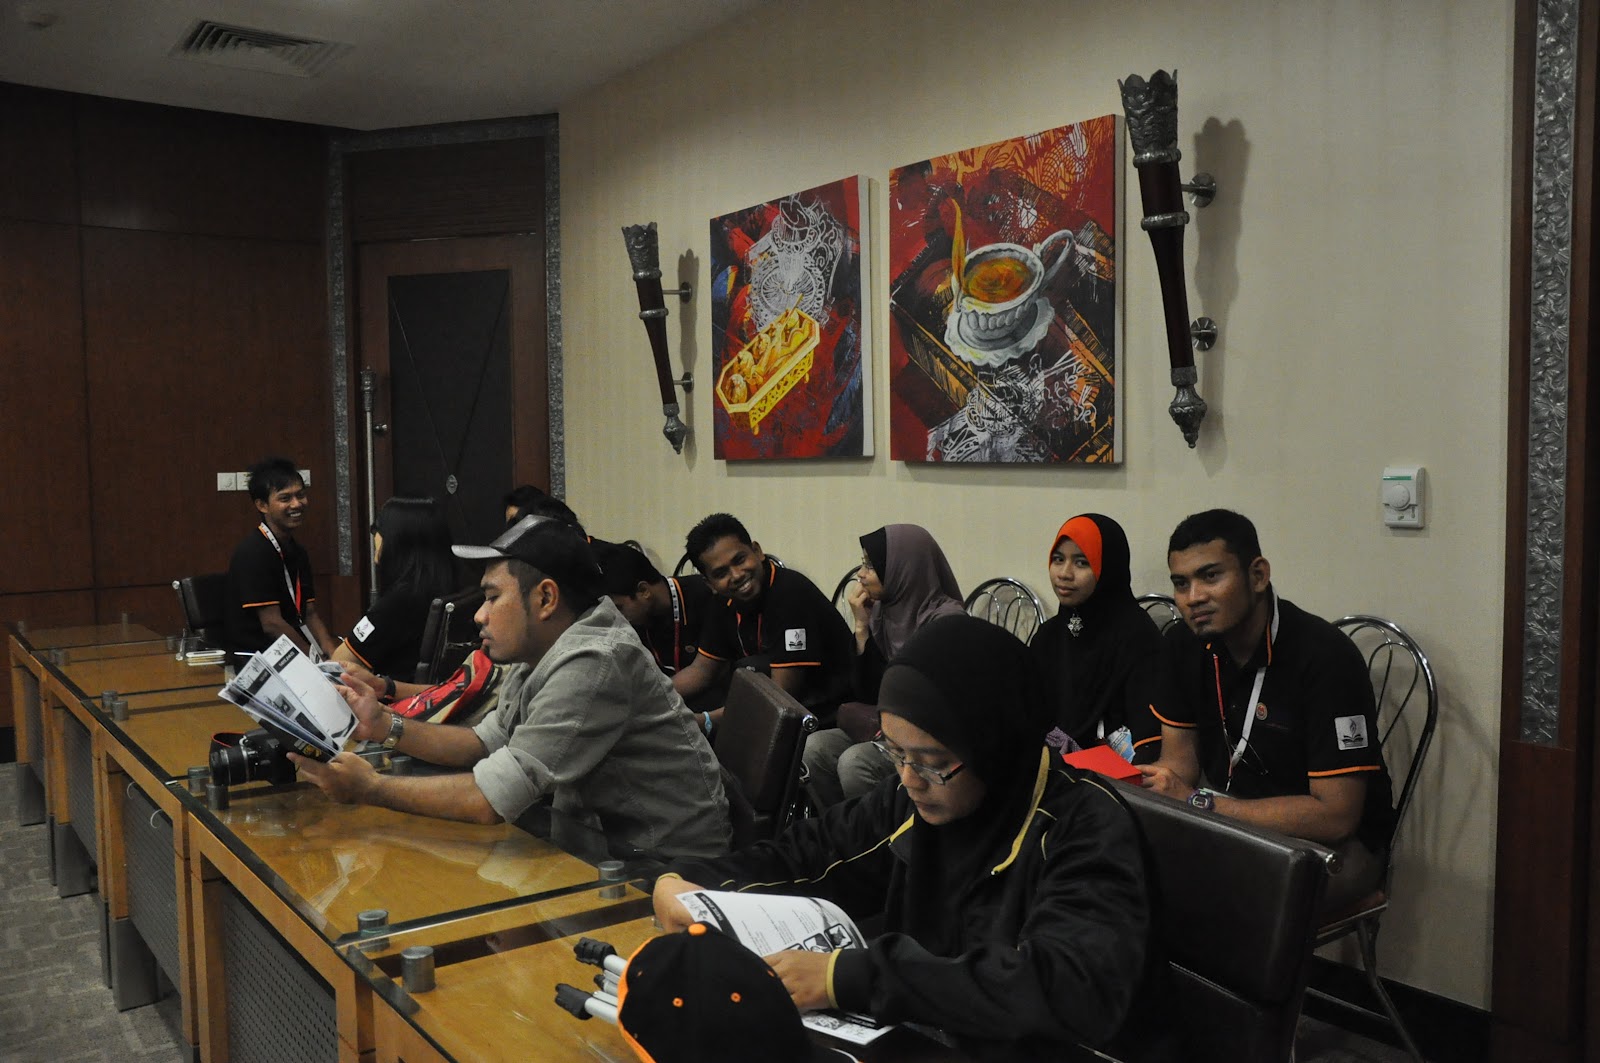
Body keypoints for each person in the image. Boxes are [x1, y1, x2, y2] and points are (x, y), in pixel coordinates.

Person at [653, 614, 1167, 1062]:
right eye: (896, 753)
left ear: (993, 746)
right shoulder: (914, 801)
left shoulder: (1086, 827)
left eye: (931, 762)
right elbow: (810, 852)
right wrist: (691, 882)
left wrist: (848, 977)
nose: (908, 779)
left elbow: (1064, 987)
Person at [290, 514, 731, 860]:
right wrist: (385, 724)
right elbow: (486, 742)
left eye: (492, 597)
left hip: (665, 863)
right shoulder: (542, 646)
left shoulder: (594, 661)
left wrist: (370, 788)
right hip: (599, 843)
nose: (479, 615)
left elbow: (490, 800)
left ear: (545, 599)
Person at [1137, 508, 1395, 909]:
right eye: (1181, 583)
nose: (1193, 598)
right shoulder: (1183, 644)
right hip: (1230, 822)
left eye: (1210, 576)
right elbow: (1179, 767)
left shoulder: (1326, 657)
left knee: (1208, 900)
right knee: (1120, 870)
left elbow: (1336, 817)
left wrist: (1200, 803)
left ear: (1257, 575)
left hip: (1335, 846)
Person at [803, 523, 965, 807]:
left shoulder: (946, 621)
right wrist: (861, 627)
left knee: (855, 763)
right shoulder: (882, 612)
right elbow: (866, 693)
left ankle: (881, 831)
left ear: (904, 570)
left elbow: (937, 706)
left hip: (928, 741)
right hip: (885, 728)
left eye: (871, 566)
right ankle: (842, 829)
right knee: (815, 748)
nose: (860, 574)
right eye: (863, 563)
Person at [671, 514, 853, 735]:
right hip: (775, 708)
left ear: (757, 551)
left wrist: (706, 721)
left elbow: (782, 696)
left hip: (825, 712)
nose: (736, 575)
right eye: (721, 573)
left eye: (739, 560)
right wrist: (654, 697)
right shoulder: (724, 600)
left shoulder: (790, 593)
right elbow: (702, 670)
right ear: (709, 583)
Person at [1031, 513, 1164, 753]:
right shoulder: (1048, 636)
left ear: (1109, 568)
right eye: (1058, 559)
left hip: (1118, 769)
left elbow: (1149, 740)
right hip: (1050, 764)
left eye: (1082, 562)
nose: (1064, 573)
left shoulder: (1137, 637)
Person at [331, 497, 466, 683]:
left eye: (378, 530)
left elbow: (338, 665)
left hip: (394, 697)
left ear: (394, 539)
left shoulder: (398, 602)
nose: (374, 537)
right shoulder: (453, 587)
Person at [222, 456, 337, 658]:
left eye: (300, 495)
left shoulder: (297, 550)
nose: (297, 504)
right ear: (262, 505)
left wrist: (332, 652)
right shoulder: (253, 552)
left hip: (289, 652)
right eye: (285, 498)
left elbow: (309, 612)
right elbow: (271, 624)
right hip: (258, 658)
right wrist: (312, 660)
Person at [591, 539, 714, 681]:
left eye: (619, 607)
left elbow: (707, 673)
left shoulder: (707, 596)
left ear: (644, 591)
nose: (616, 616)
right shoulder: (639, 619)